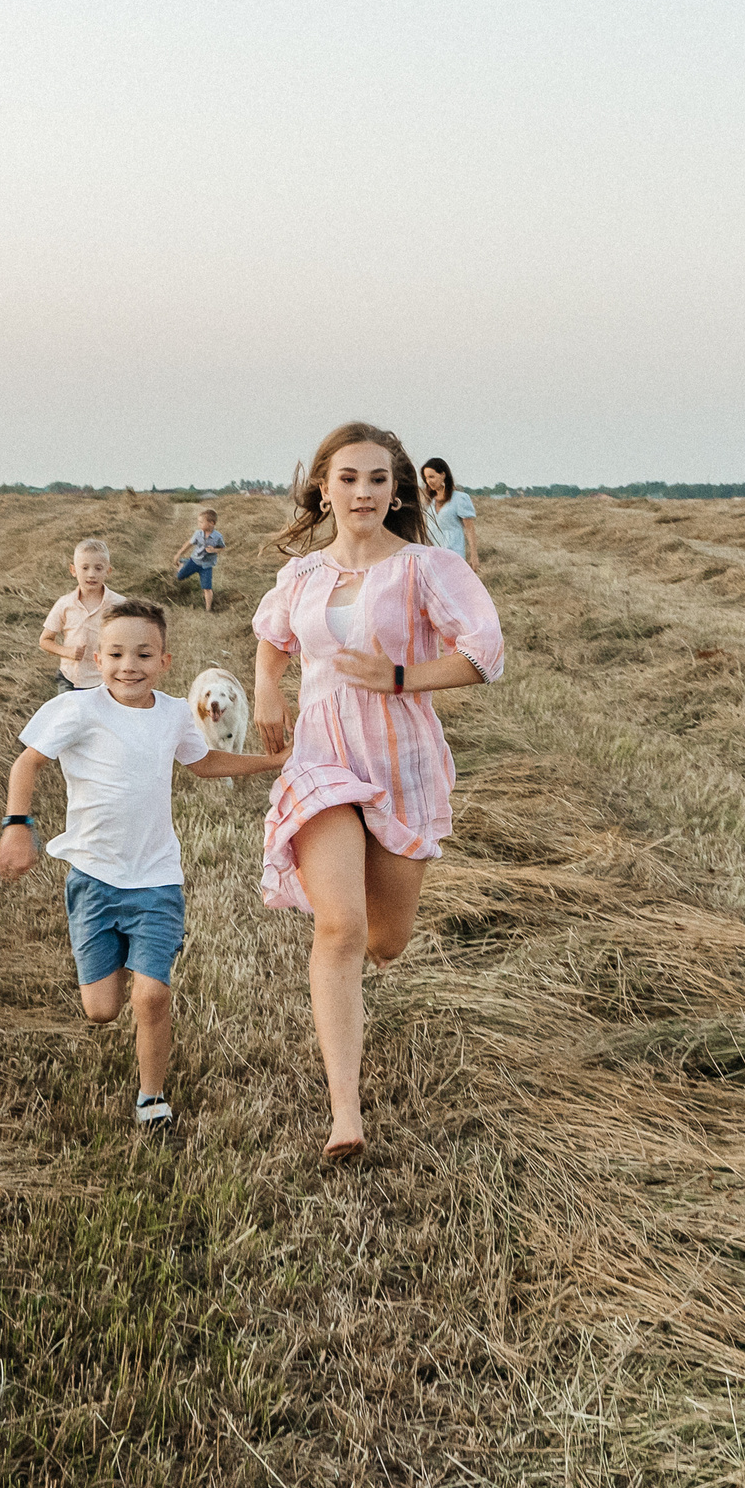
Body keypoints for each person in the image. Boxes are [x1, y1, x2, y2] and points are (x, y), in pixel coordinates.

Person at [252, 422, 505, 1162]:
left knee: (386, 940)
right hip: (321, 757)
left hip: (401, 760)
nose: (362, 492)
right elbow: (273, 637)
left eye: (376, 479)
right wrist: (267, 687)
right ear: (323, 489)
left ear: (395, 492)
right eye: (348, 478)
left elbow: (485, 652)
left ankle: (365, 933)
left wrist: (400, 677)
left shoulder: (428, 568)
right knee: (340, 929)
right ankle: (345, 1114)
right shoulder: (302, 574)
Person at [0, 603, 287, 1128]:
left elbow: (203, 762)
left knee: (151, 997)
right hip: (93, 877)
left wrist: (272, 763)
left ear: (165, 661)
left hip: (156, 878)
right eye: (115, 654)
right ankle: (121, 956)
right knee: (102, 1009)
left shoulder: (174, 714)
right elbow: (27, 762)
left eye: (144, 655)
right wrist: (17, 824)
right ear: (98, 660)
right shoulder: (77, 709)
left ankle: (152, 1099)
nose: (129, 666)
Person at [38, 539, 126, 695]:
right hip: (70, 679)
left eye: (98, 568)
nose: (91, 574)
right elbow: (45, 641)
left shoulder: (120, 605)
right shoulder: (64, 604)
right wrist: (67, 652)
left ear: (108, 571)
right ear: (73, 570)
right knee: (70, 712)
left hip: (106, 680)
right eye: (85, 568)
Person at [422, 457, 481, 571]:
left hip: (453, 555)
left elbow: (469, 529)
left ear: (443, 475)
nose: (428, 481)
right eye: (426, 478)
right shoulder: (429, 502)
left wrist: (474, 555)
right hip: (431, 556)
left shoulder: (459, 498)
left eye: (431, 477)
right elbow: (424, 528)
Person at [172, 506, 226, 612]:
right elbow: (189, 544)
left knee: (207, 588)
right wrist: (179, 554)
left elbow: (222, 548)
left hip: (207, 566)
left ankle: (208, 609)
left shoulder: (218, 537)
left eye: (201, 522)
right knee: (179, 576)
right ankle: (184, 563)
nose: (199, 524)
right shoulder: (198, 534)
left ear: (212, 523)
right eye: (198, 522)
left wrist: (214, 550)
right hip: (194, 561)